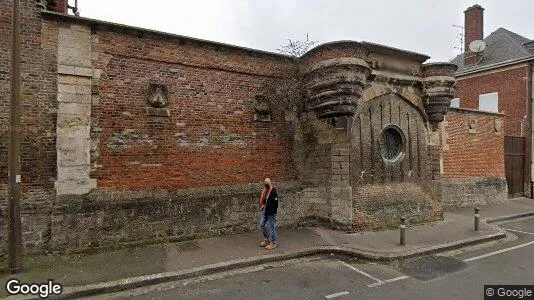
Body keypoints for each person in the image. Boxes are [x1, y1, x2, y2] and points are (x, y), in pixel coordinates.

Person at [259, 178, 278, 250]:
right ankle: (266, 239)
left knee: (271, 227)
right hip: (265, 211)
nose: (265, 186)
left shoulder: (273, 192)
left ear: (269, 183)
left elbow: (276, 204)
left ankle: (273, 243)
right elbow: (264, 199)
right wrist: (263, 205)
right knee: (262, 224)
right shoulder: (265, 190)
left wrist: (273, 213)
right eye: (265, 184)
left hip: (271, 212)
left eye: (266, 184)